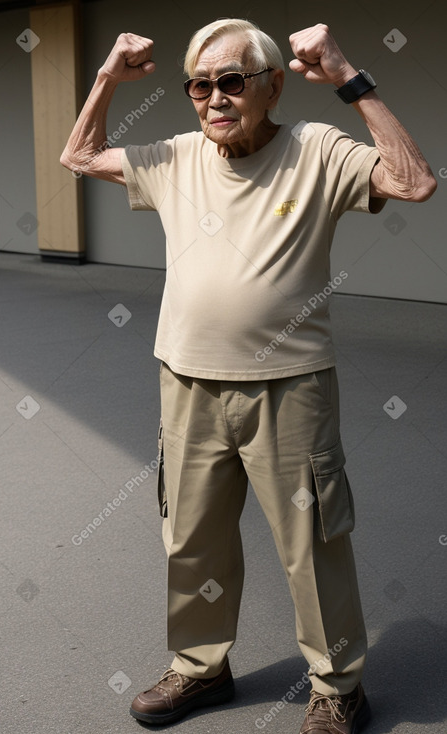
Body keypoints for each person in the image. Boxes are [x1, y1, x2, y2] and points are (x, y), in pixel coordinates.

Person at [61, 18, 436, 734]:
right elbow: (77, 156)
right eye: (198, 86)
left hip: (289, 388)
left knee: (311, 542)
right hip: (186, 383)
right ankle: (200, 668)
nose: (213, 99)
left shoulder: (316, 150)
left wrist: (348, 77)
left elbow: (414, 182)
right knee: (192, 538)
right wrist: (109, 74)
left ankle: (337, 686)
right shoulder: (175, 156)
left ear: (270, 84)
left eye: (230, 82)